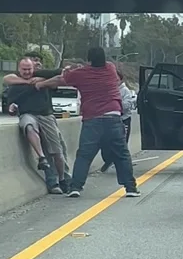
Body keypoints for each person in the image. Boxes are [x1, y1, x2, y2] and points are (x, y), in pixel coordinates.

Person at [35, 46, 140, 199]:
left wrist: (41, 84)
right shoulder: (111, 69)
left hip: (92, 120)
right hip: (113, 118)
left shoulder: (81, 73)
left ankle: (75, 187)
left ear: (89, 60)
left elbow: (61, 79)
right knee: (122, 154)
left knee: (84, 155)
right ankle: (131, 188)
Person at [3, 53, 71, 194]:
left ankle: (64, 179)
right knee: (28, 125)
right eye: (24, 69)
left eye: (30, 68)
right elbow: (9, 94)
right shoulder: (14, 82)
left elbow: (60, 76)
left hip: (46, 116)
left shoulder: (42, 75)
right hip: (28, 114)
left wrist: (42, 82)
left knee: (57, 152)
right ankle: (50, 176)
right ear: (19, 68)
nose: (27, 72)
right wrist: (13, 106)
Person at [100, 69, 133, 173]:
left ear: (120, 80)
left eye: (116, 79)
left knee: (122, 145)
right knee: (105, 143)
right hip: (109, 120)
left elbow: (128, 105)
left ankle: (123, 168)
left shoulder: (125, 91)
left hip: (123, 120)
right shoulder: (107, 90)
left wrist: (115, 105)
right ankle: (108, 160)